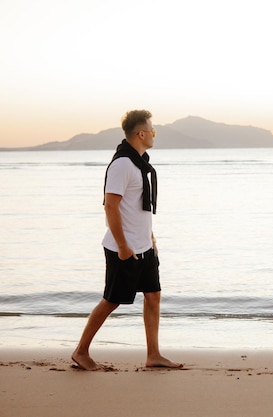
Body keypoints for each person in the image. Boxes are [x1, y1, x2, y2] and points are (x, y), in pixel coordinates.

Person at [71, 110, 182, 371]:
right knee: (112, 299)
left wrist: (150, 237)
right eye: (152, 130)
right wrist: (122, 246)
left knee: (153, 296)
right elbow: (111, 206)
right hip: (125, 249)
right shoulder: (122, 164)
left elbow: (137, 207)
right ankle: (80, 351)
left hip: (144, 247)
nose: (154, 135)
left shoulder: (139, 163)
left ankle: (153, 355)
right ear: (141, 134)